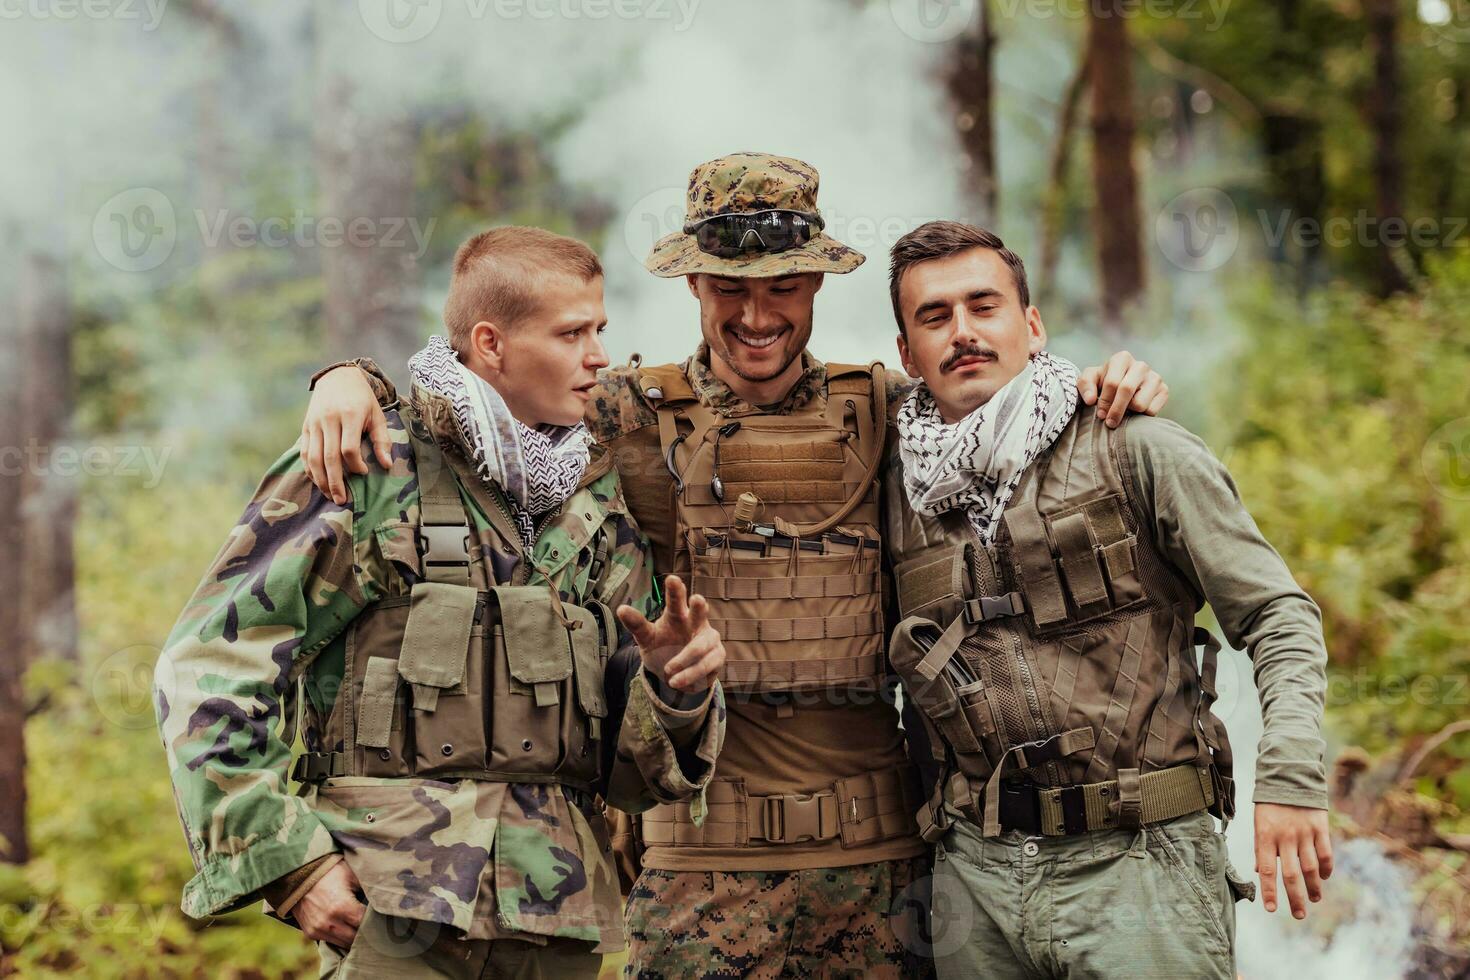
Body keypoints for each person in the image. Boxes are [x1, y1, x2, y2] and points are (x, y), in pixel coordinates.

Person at [300, 153, 1169, 977]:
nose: (757, 316)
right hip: (693, 867)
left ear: (819, 281)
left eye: (784, 288)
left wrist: (1103, 383)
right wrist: (350, 380)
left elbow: (999, 401)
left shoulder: (886, 413)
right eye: (728, 291)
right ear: (692, 284)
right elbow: (479, 399)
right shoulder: (621, 416)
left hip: (880, 866)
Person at [154, 226, 727, 979]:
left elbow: (626, 773)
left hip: (553, 919)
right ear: (490, 343)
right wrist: (289, 865)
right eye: (572, 333)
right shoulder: (368, 461)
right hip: (395, 911)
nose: (597, 356)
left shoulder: (595, 500)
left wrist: (674, 690)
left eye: (600, 331)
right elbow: (209, 667)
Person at [882, 220, 1332, 978]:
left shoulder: (1136, 447)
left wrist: (1290, 777)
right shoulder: (897, 489)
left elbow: (1278, 616)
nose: (962, 332)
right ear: (905, 354)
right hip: (975, 884)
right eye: (934, 317)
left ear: (1031, 324)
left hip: (1140, 869)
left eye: (983, 306)